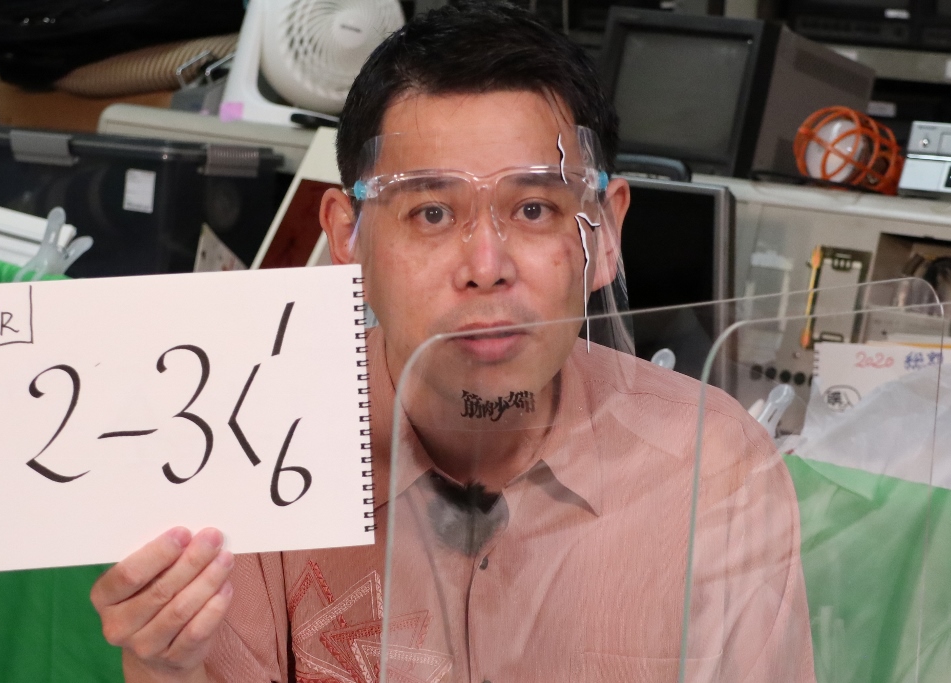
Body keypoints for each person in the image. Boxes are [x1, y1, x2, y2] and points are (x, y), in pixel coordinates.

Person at [91, 2, 816, 681]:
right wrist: (166, 665)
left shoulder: (714, 466)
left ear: (603, 233)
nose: (485, 266)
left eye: (534, 208)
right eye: (432, 213)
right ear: (347, 237)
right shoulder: (247, 454)